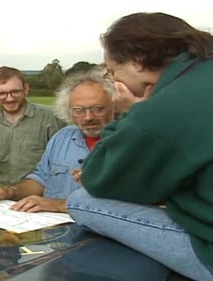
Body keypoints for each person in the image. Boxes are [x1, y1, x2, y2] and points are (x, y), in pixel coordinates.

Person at [65, 12, 213, 280]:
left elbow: (98, 176)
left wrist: (131, 112)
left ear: (137, 61)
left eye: (112, 73)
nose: (114, 81)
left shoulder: (164, 108)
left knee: (80, 202)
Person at [0, 68, 115, 213]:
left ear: (114, 105)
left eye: (98, 109)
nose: (88, 117)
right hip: (51, 227)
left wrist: (55, 205)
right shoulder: (61, 137)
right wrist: (9, 192)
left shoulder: (129, 143)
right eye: (78, 110)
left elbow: (122, 204)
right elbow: (40, 180)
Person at [0, 66, 66, 187]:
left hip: (38, 195)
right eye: (2, 93)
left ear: (26, 89)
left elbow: (62, 162)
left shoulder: (51, 118)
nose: (9, 98)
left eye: (15, 92)